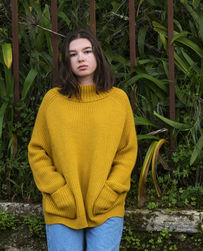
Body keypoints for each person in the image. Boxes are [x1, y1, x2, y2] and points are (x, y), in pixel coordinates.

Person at [28, 28, 138, 251]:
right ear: (67, 61)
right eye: (73, 54)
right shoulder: (53, 101)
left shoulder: (118, 100)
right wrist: (58, 192)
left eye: (87, 51)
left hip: (106, 206)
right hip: (62, 206)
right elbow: (37, 151)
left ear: (97, 55)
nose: (81, 58)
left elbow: (127, 151)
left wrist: (110, 191)